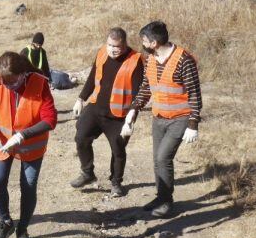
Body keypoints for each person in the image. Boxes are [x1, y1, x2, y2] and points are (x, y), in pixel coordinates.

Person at [123, 21, 202, 218]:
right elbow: (146, 88)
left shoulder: (184, 60)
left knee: (163, 158)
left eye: (144, 40)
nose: (142, 43)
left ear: (155, 42)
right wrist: (133, 110)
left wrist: (193, 124)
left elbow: (194, 93)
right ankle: (160, 197)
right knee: (156, 160)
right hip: (158, 117)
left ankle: (167, 202)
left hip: (180, 118)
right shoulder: (150, 59)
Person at [0, 51, 57, 238]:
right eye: (6, 83)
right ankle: (5, 221)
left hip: (31, 146)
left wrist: (22, 135)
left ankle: (22, 229)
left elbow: (50, 119)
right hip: (1, 143)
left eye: (14, 82)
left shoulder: (39, 83)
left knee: (28, 186)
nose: (10, 87)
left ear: (24, 73)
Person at [70, 28, 143, 197]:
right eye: (109, 45)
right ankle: (87, 173)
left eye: (116, 47)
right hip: (96, 108)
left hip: (119, 116)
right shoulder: (102, 53)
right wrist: (81, 99)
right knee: (81, 138)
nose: (112, 50)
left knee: (118, 150)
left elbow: (137, 95)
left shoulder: (135, 61)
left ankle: (116, 182)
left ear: (124, 44)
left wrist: (130, 120)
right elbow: (92, 77)